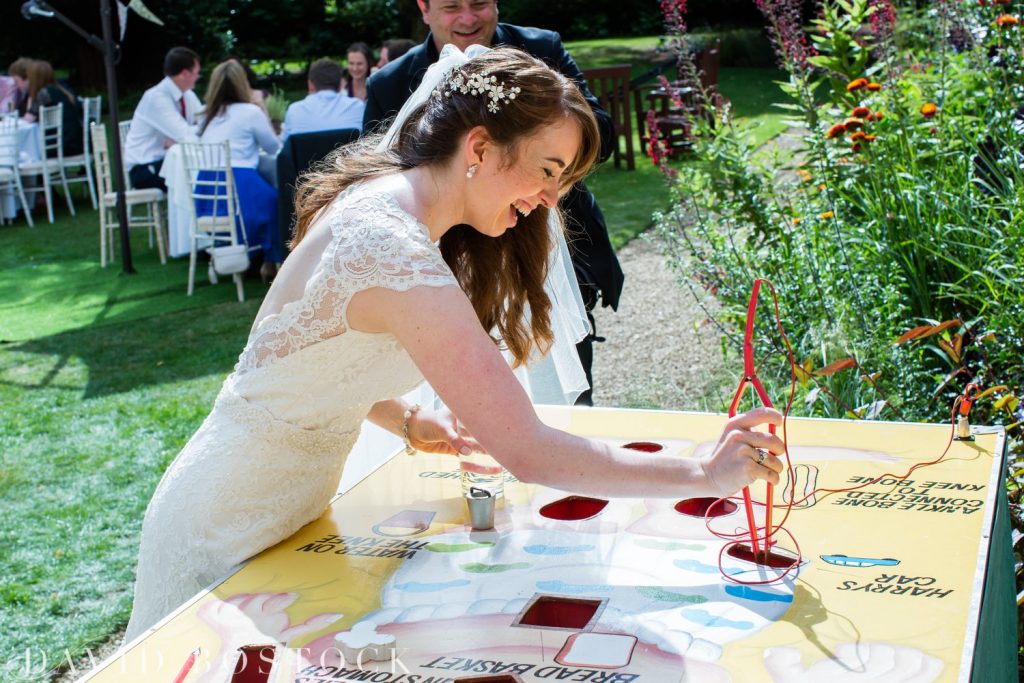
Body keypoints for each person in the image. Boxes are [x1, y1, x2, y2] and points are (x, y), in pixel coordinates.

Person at [123, 46, 784, 642]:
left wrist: (405, 418)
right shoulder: (394, 248)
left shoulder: (389, 208)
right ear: (479, 147)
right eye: (548, 170)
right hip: (221, 529)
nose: (550, 200)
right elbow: (527, 448)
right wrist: (704, 472)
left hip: (279, 524)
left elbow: (302, 350)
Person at [364, 0, 624, 406]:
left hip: (545, 255)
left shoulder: (542, 48)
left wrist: (541, 156)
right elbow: (385, 172)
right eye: (451, 7)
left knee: (564, 387)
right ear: (424, 8)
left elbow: (600, 135)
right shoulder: (390, 83)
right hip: (451, 263)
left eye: (480, 4)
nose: (468, 19)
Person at [198, 60, 283, 274]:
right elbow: (273, 147)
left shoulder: (207, 115)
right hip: (239, 188)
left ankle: (243, 255)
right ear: (242, 84)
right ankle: (271, 261)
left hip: (206, 192)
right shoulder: (249, 112)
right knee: (276, 201)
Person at [123, 47, 202, 192]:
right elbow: (186, 135)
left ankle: (198, 212)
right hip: (145, 167)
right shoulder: (157, 98)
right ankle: (192, 213)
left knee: (201, 169)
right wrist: (186, 136)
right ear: (185, 73)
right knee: (195, 175)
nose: (197, 77)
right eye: (196, 73)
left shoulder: (187, 95)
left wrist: (178, 140)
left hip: (166, 160)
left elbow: (203, 122)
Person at [280, 58, 365, 141]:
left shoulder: (294, 111)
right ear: (340, 85)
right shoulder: (357, 107)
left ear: (310, 84)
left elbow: (285, 146)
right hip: (346, 155)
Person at [24, 60, 83, 156]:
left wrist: (30, 96)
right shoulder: (59, 89)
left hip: (62, 145)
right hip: (76, 141)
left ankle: (37, 171)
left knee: (29, 150)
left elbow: (29, 118)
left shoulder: (45, 93)